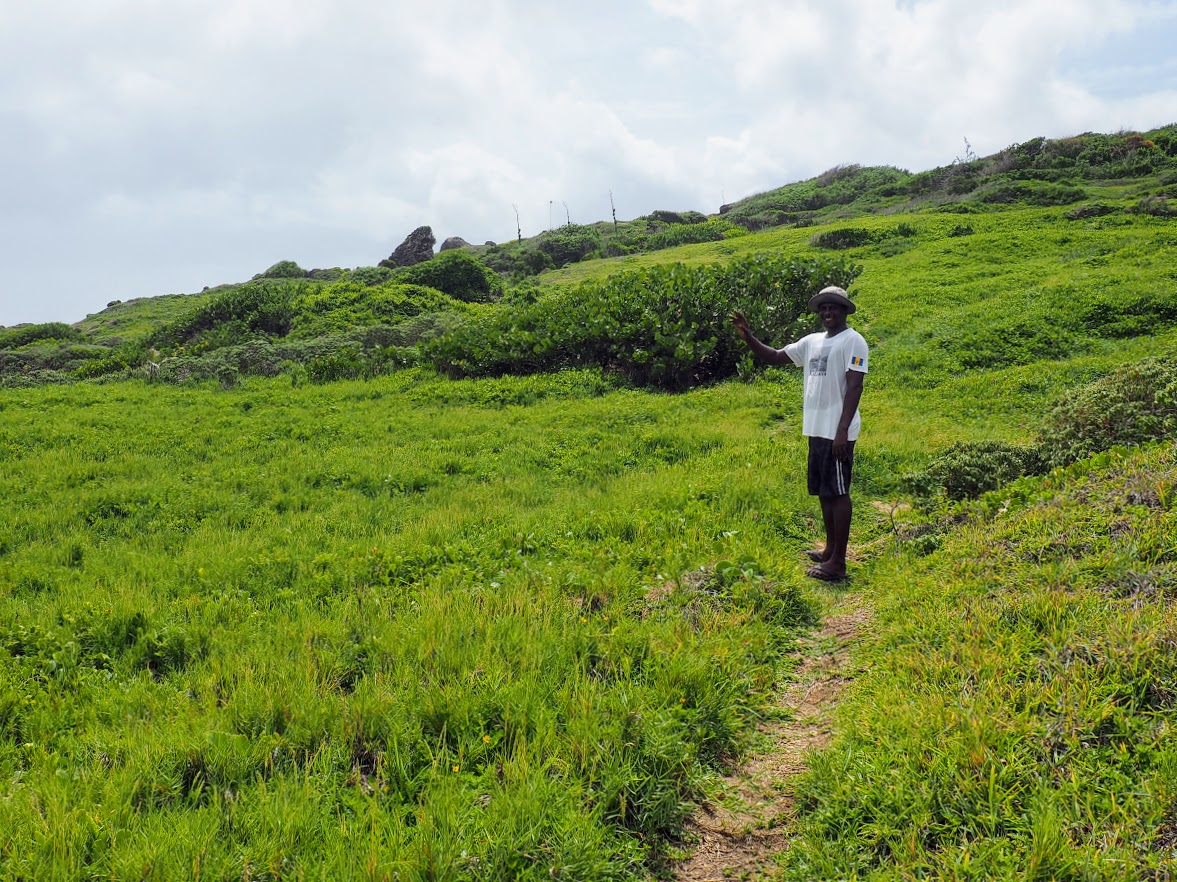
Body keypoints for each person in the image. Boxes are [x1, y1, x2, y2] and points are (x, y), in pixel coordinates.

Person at [731, 285, 868, 582]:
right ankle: (830, 550)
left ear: (845, 310)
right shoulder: (812, 342)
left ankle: (839, 564)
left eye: (833, 307)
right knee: (824, 491)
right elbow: (778, 356)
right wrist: (749, 338)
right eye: (823, 308)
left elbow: (855, 386)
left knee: (839, 492)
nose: (828, 312)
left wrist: (842, 431)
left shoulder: (854, 341)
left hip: (837, 430)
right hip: (816, 429)